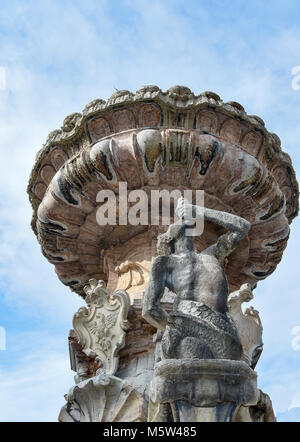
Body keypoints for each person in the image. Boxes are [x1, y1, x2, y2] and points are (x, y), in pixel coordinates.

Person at [142, 197, 251, 360]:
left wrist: (199, 211)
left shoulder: (211, 255)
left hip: (224, 327)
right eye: (175, 225)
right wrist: (175, 326)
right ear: (167, 241)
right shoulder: (166, 262)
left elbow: (242, 227)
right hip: (188, 328)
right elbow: (149, 309)